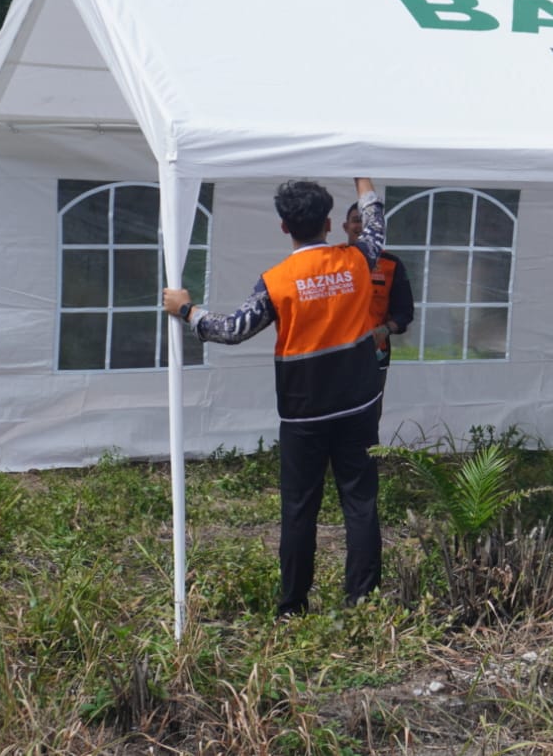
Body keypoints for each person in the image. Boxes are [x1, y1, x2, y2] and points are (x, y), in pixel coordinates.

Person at [162, 178, 386, 616]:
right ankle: (362, 602)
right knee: (360, 502)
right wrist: (362, 178)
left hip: (304, 413)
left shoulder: (277, 281)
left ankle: (293, 606)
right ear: (329, 223)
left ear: (284, 227)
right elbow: (376, 221)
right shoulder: (358, 258)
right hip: (359, 403)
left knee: (299, 508)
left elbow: (232, 330)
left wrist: (187, 310)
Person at [343, 201, 414, 404]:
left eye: (367, 223)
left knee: (369, 412)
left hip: (375, 355)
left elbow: (405, 313)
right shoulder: (331, 260)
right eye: (356, 220)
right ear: (345, 226)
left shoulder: (391, 265)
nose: (361, 227)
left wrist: (386, 329)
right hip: (336, 355)